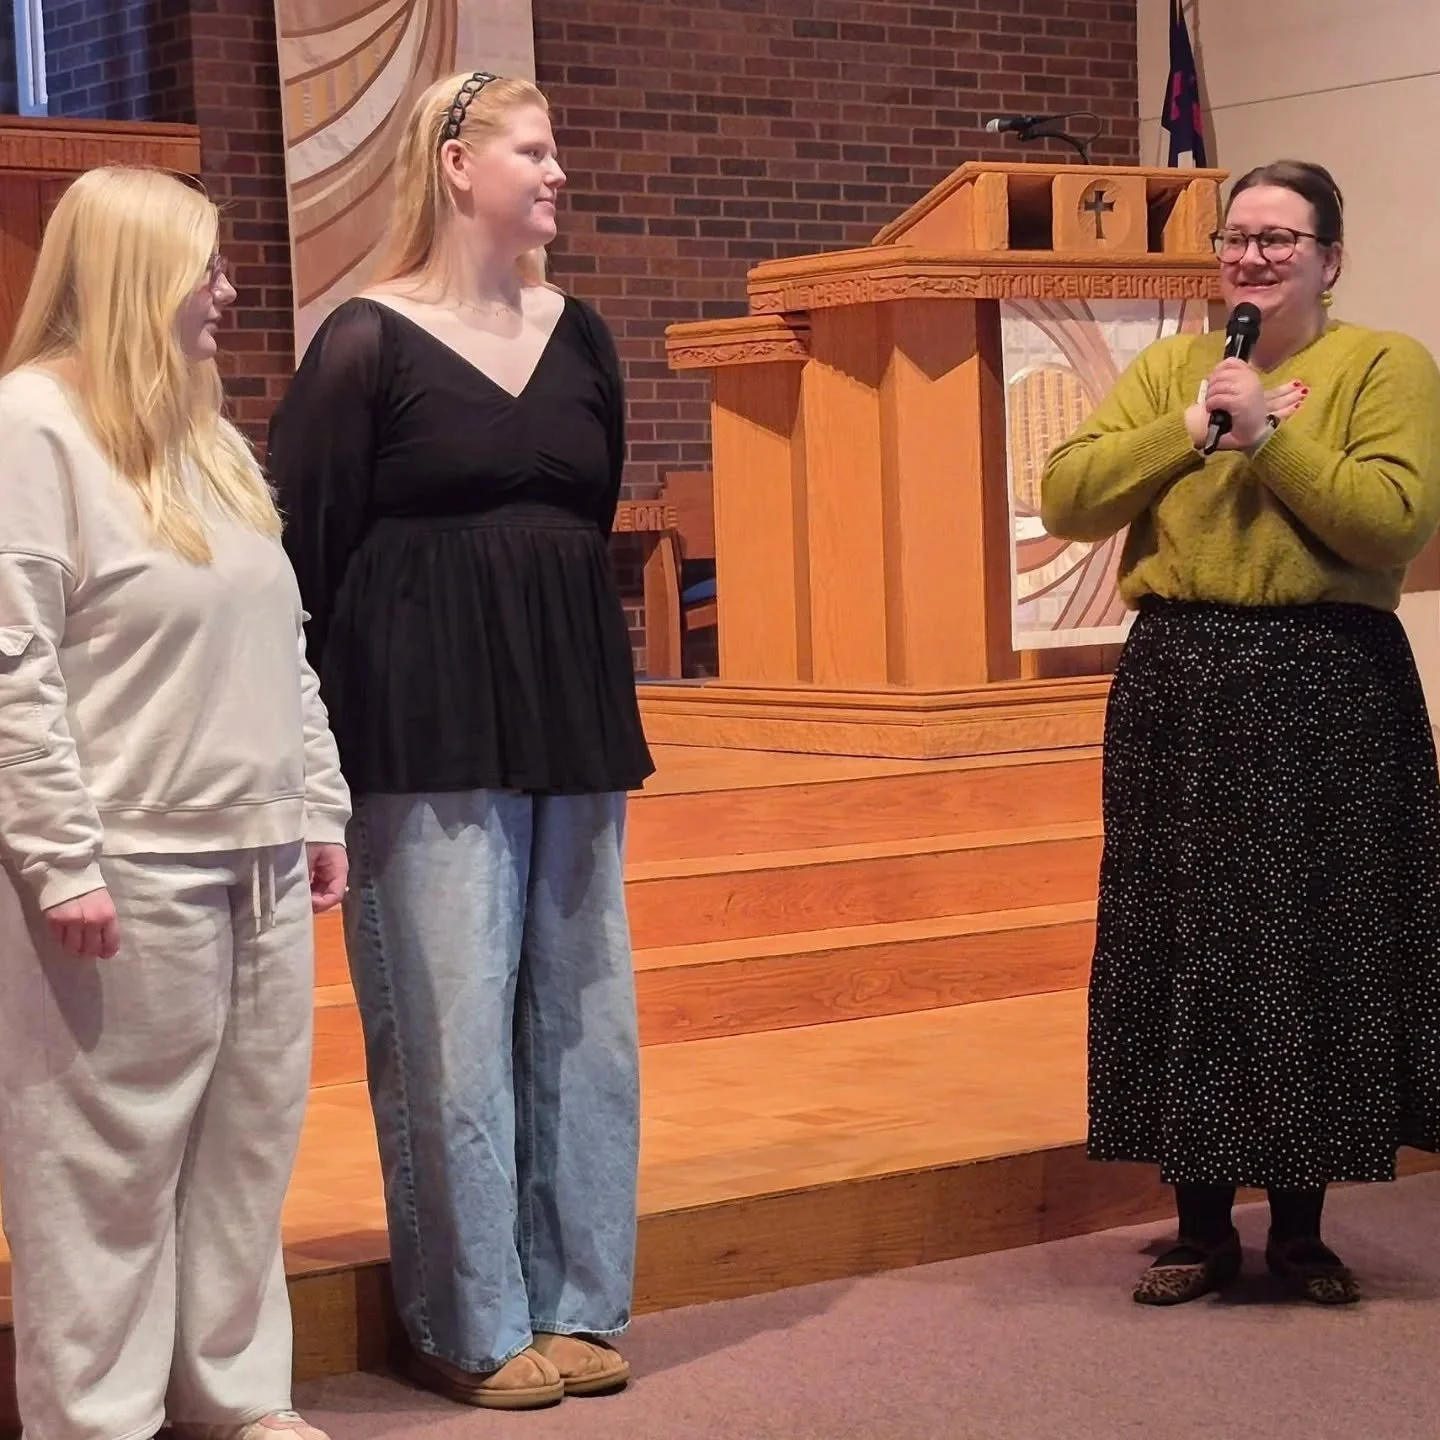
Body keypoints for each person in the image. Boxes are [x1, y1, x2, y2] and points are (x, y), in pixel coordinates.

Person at [268, 71, 652, 1409]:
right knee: (450, 1026)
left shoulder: (582, 333)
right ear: (454, 166)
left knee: (588, 1022)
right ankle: (473, 1317)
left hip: (567, 707)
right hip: (419, 716)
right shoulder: (364, 341)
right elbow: (298, 553)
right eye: (536, 153)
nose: (558, 174)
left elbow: (581, 520)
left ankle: (579, 1300)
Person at [1041, 159, 1440, 1307]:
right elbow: (1069, 498)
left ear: (1330, 258)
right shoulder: (1176, 365)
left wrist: (1270, 435)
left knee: (1317, 945)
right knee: (1188, 942)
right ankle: (1200, 1229)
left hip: (1328, 681)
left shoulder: (1382, 365)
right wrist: (1188, 429)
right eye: (1238, 236)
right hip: (1184, 680)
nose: (1252, 256)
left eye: (1280, 237)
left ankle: (1305, 1228)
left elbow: (1392, 520)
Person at [0, 165, 351, 1440]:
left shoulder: (205, 435)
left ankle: (234, 1399)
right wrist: (57, 855)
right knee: (101, 1166)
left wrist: (316, 801)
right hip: (126, 860)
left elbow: (281, 636)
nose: (231, 289)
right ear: (136, 269)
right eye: (208, 265)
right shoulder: (30, 425)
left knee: (244, 1151)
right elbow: (12, 658)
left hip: (255, 853)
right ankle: (98, 1422)